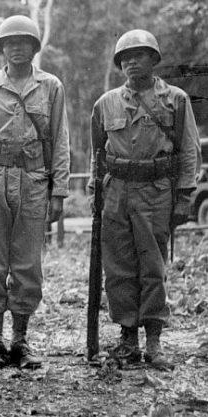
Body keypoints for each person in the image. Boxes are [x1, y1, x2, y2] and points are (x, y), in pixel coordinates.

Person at [0, 15, 70, 371]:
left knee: (27, 263)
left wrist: (59, 191)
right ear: (1, 49)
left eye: (24, 42)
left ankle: (20, 341)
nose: (17, 48)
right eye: (10, 43)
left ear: (34, 47)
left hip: (34, 179)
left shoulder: (50, 86)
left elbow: (60, 140)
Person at [89, 29, 199, 371]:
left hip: (155, 191)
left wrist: (183, 197)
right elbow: (97, 154)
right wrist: (96, 195)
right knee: (119, 267)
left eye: (139, 55)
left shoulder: (175, 99)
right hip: (117, 191)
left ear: (154, 59)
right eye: (125, 57)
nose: (131, 62)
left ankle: (153, 341)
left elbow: (188, 151)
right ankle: (127, 338)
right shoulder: (105, 103)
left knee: (152, 266)